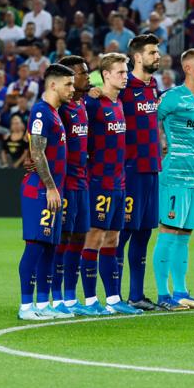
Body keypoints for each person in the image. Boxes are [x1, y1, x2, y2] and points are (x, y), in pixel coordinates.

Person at [153, 49, 194, 311]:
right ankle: (163, 295)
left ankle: (181, 292)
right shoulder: (172, 98)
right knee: (168, 231)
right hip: (174, 176)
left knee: (185, 234)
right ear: (187, 68)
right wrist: (158, 147)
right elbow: (147, 121)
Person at [85, 53, 141, 315]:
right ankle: (88, 300)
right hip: (98, 182)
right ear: (105, 75)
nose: (125, 76)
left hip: (119, 183)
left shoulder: (119, 104)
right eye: (120, 72)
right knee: (94, 237)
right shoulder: (93, 103)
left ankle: (114, 298)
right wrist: (88, 90)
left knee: (113, 240)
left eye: (126, 71)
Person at [17, 64, 73, 320]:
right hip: (39, 191)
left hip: (53, 191)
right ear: (53, 85)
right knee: (36, 246)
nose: (72, 89)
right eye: (68, 84)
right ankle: (26, 306)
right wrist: (50, 187)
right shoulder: (41, 113)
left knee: (50, 247)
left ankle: (42, 303)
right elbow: (37, 152)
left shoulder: (55, 113)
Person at [115, 35, 163, 311]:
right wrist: (95, 92)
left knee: (144, 233)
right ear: (137, 57)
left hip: (151, 169)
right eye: (152, 52)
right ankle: (114, 296)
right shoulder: (124, 86)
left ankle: (136, 295)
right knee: (122, 234)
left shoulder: (152, 86)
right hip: (130, 171)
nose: (157, 56)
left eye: (157, 52)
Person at [51, 55, 100, 316]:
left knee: (80, 237)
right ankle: (55, 295)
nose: (87, 76)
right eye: (82, 73)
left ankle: (70, 297)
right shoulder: (59, 109)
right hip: (65, 182)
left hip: (83, 181)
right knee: (63, 239)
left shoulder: (82, 106)